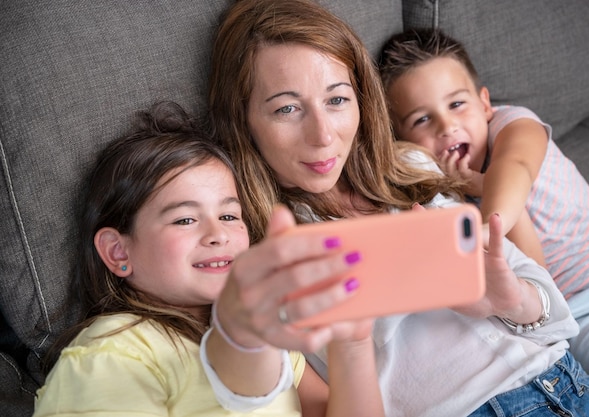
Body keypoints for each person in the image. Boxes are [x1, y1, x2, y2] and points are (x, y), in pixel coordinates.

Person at [207, 0, 589, 415]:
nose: (323, 135)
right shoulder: (258, 253)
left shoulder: (410, 167)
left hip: (576, 388)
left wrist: (511, 300)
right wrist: (343, 343)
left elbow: (556, 320)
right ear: (242, 121)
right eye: (287, 108)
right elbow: (249, 377)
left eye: (336, 100)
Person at [32, 101, 384, 417]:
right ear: (118, 251)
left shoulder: (272, 335)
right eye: (185, 219)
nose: (219, 234)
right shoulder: (112, 352)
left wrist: (351, 344)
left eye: (230, 216)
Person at [378, 27, 589, 405]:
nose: (447, 126)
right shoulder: (442, 198)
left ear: (485, 103)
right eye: (421, 120)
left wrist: (480, 208)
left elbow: (516, 168)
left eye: (457, 104)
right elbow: (538, 278)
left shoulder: (511, 125)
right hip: (587, 311)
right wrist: (472, 197)